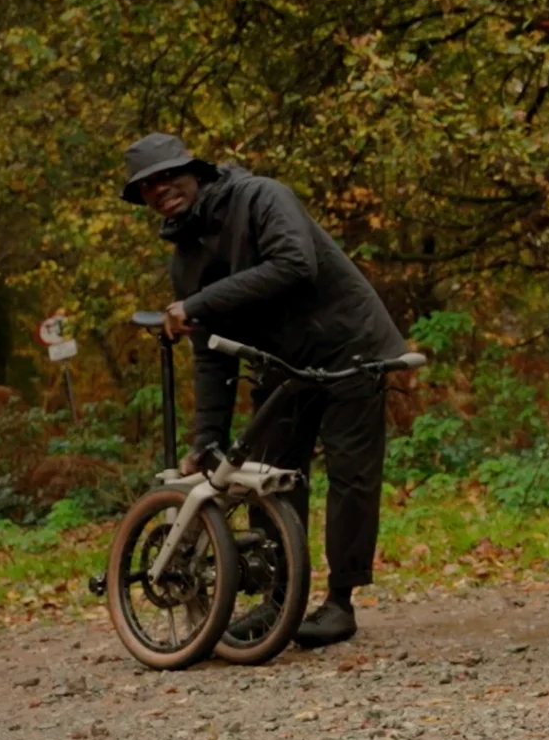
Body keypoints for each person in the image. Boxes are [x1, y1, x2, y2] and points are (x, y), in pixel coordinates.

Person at [122, 132, 410, 647]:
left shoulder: (261, 197)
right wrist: (207, 437)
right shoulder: (185, 259)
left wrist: (198, 304)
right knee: (269, 477)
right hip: (281, 363)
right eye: (147, 186)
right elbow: (210, 348)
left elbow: (296, 265)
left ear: (197, 171)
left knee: (351, 475)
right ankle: (279, 603)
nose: (161, 189)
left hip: (350, 346)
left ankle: (340, 603)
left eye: (168, 176)